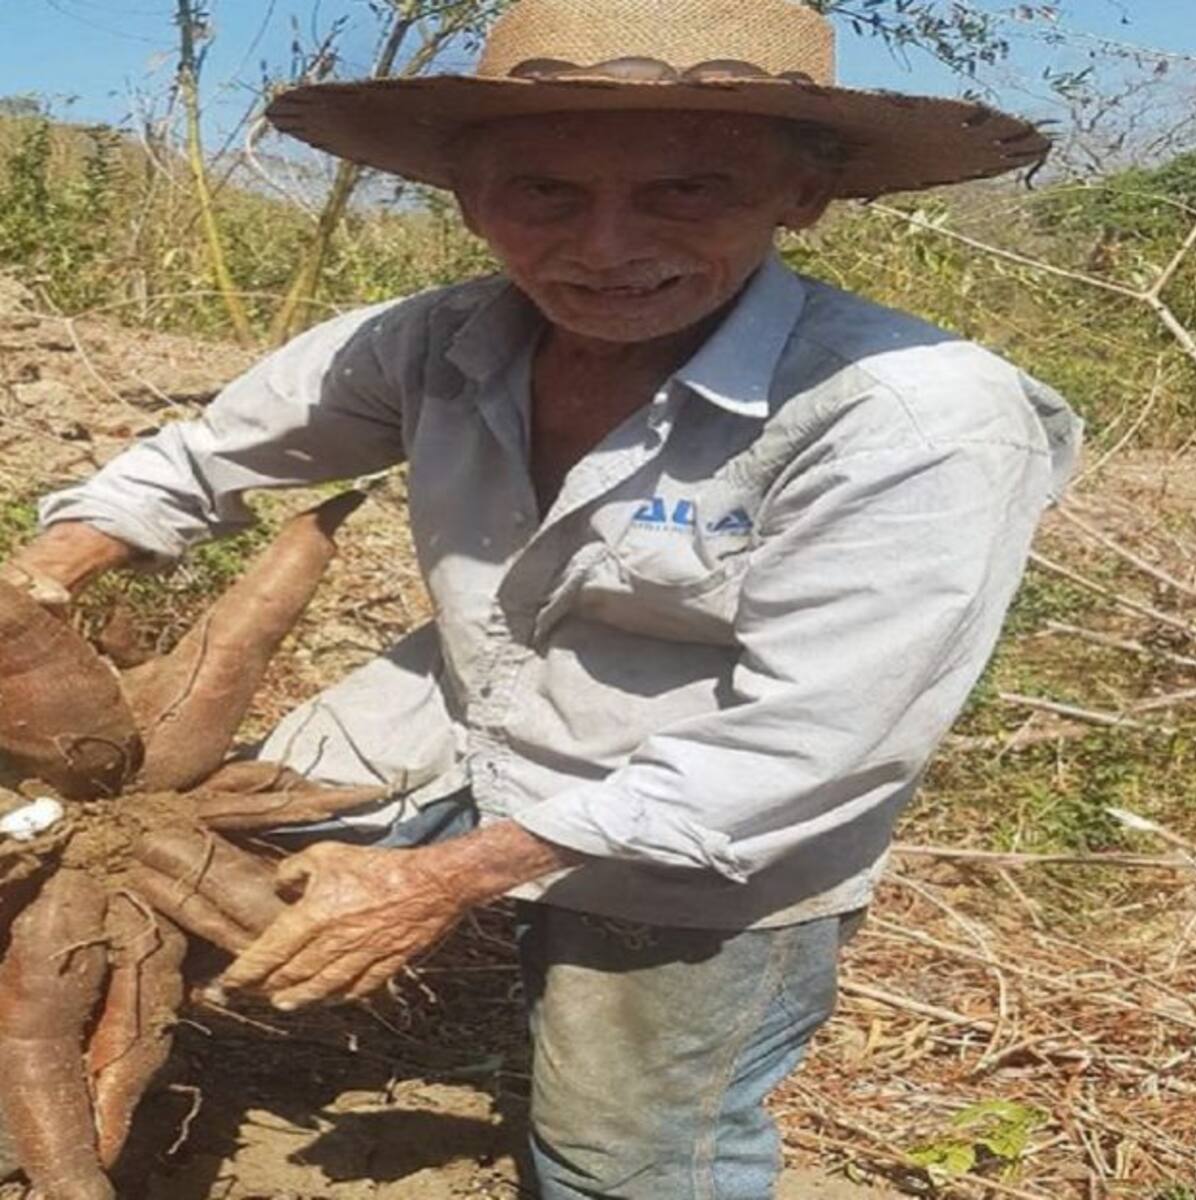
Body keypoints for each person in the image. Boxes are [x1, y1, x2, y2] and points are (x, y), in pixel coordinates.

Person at [2, 0, 1082, 1195]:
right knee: (107, 874)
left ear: (801, 195)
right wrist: (38, 588)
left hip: (713, 807)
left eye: (687, 191)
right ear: (470, 199)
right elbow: (205, 459)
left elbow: (809, 745)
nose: (605, 247)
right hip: (455, 713)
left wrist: (439, 880)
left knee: (621, 1150)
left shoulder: (915, 418)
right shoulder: (438, 339)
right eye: (544, 193)